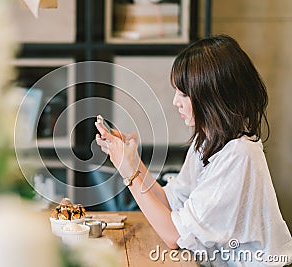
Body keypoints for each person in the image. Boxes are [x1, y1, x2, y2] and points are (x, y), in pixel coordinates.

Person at [95, 34, 292, 266]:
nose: (175, 102)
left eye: (183, 94)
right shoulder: (207, 141)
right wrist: (132, 161)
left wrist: (127, 172)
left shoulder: (239, 154)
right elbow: (172, 202)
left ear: (210, 96)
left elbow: (174, 236)